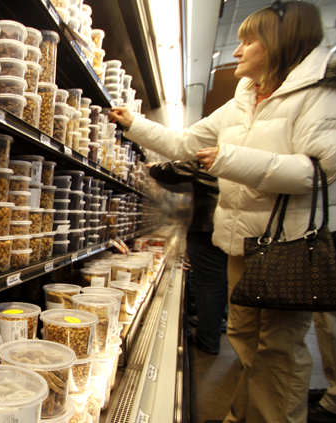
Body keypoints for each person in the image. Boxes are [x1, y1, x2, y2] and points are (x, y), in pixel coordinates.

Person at [108, 2, 336, 422]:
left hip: (286, 247)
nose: (237, 50)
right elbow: (183, 143)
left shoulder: (319, 94)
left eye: (249, 40)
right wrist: (133, 123)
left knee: (280, 350)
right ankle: (244, 412)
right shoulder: (242, 100)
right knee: (246, 339)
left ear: (279, 43)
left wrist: (230, 159)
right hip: (239, 241)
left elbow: (315, 171)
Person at [147, 160, 228, 354]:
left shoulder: (216, 157)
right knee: (220, 284)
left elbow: (176, 172)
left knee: (209, 286)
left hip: (207, 228)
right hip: (226, 228)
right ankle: (214, 328)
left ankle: (208, 340)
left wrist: (155, 167)